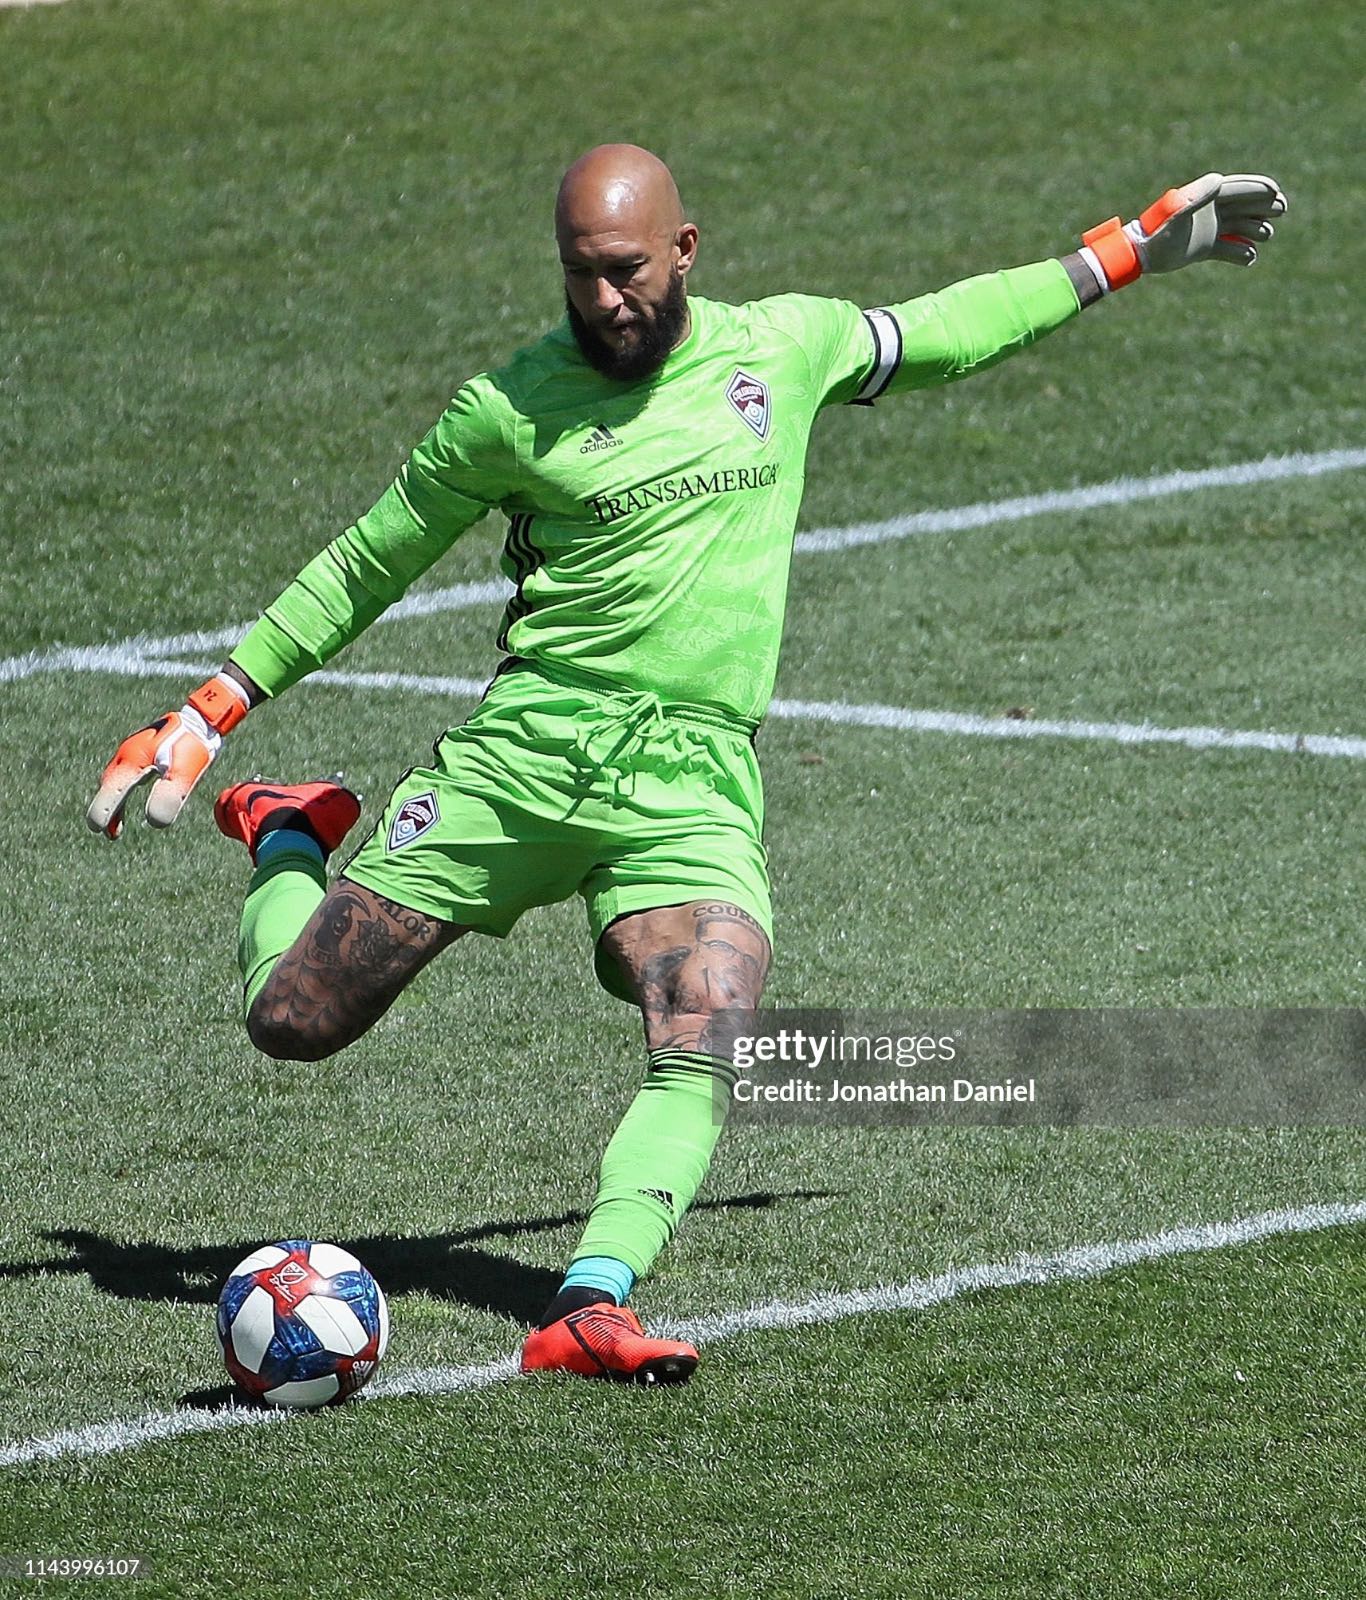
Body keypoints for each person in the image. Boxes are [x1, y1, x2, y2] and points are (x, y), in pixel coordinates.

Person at [86, 147, 1286, 1385]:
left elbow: (946, 330)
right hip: (526, 762)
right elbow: (363, 563)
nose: (605, 299)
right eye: (581, 276)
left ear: (686, 251)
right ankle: (287, 830)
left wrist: (1125, 251)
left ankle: (590, 1304)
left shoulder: (784, 345)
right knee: (289, 1021)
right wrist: (210, 709)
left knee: (710, 1012)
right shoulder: (504, 408)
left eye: (627, 271)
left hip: (691, 784)